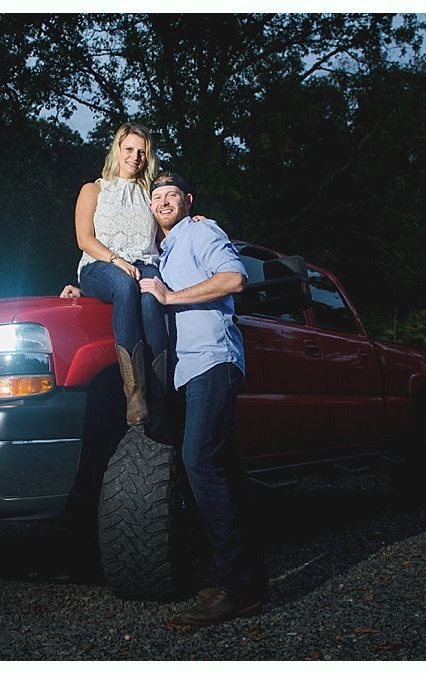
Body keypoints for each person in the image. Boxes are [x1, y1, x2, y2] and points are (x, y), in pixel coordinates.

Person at [139, 172, 268, 626]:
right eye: (156, 197)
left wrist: (171, 297)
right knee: (227, 470)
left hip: (212, 359)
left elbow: (234, 279)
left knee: (199, 461)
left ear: (187, 200)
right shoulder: (163, 251)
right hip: (189, 369)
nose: (163, 201)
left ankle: (233, 587)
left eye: (171, 194)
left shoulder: (199, 230)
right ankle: (251, 582)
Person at [70, 122, 167, 428]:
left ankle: (161, 393)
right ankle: (134, 391)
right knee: (126, 286)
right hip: (100, 265)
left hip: (145, 263)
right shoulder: (94, 189)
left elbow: (168, 231)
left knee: (152, 297)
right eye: (129, 149)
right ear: (117, 149)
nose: (135, 157)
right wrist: (116, 260)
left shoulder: (150, 194)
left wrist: (194, 222)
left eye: (142, 151)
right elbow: (84, 239)